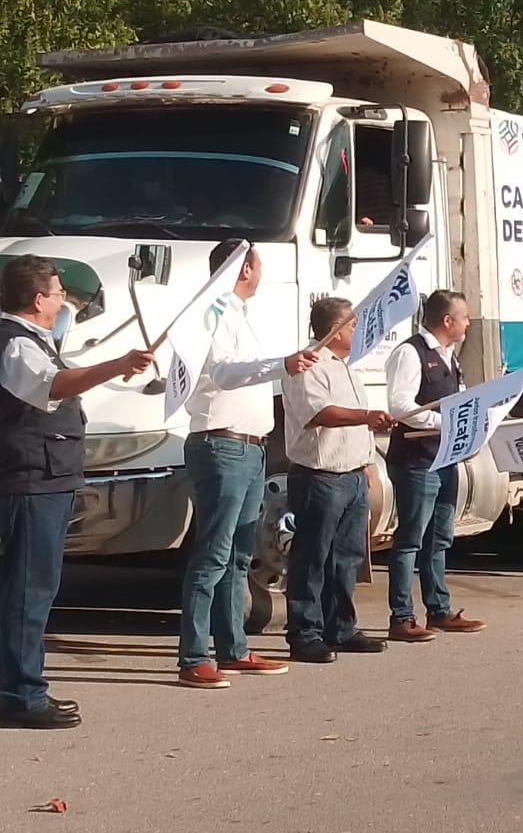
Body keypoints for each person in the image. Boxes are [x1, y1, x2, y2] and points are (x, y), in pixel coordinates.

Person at [0, 255, 154, 729]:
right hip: (31, 480)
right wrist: (115, 365)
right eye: (58, 291)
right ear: (37, 299)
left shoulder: (32, 342)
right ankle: (21, 695)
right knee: (28, 589)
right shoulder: (15, 344)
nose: (63, 298)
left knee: (28, 588)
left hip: (44, 478)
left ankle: (19, 686)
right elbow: (52, 384)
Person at [175, 239, 319, 690]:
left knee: (238, 556)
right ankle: (194, 656)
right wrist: (281, 364)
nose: (261, 272)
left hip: (251, 448)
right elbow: (224, 373)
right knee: (213, 554)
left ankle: (232, 649)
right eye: (258, 264)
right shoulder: (213, 315)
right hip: (222, 446)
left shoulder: (238, 314)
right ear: (243, 269)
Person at [279, 297, 394, 664]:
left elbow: (357, 427)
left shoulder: (346, 367)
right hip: (320, 475)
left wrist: (368, 464)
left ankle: (341, 628)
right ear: (334, 329)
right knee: (312, 557)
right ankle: (304, 633)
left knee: (346, 558)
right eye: (352, 326)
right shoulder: (308, 364)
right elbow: (320, 414)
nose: (356, 331)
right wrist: (366, 416)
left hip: (352, 475)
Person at [384, 289, 486, 641]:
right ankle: (401, 617)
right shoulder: (411, 353)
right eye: (465, 318)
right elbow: (400, 407)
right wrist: (445, 424)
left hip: (445, 459)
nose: (468, 323)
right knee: (411, 538)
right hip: (416, 461)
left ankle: (439, 610)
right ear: (447, 321)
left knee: (439, 538)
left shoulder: (448, 356)